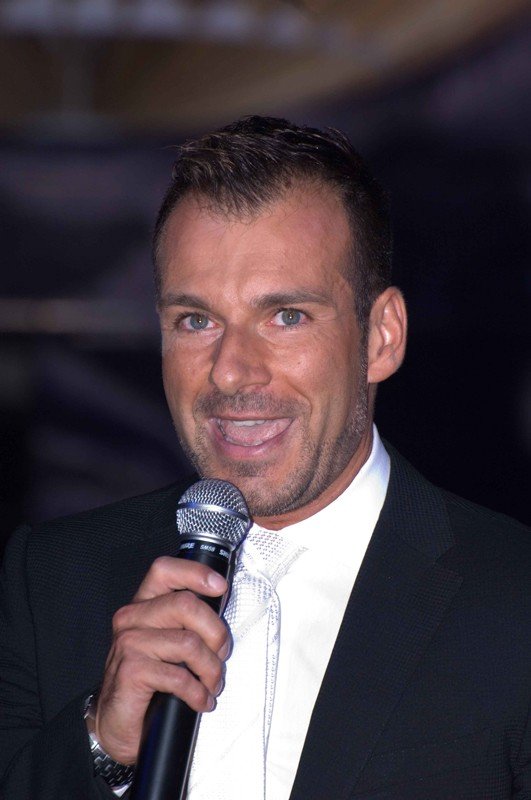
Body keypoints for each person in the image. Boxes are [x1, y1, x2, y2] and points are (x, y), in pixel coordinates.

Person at [0, 116, 530, 800]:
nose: (230, 371)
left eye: (286, 316)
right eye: (196, 320)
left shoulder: (513, 599)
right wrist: (102, 746)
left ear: (381, 336)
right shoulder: (49, 581)